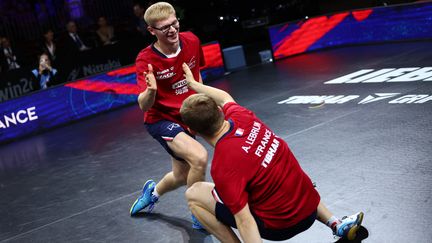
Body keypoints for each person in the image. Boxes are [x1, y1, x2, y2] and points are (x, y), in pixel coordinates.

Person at [179, 63, 365, 242]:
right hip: (309, 209)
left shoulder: (223, 166)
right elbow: (225, 97)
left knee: (194, 194)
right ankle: (336, 224)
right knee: (279, 171)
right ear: (220, 111)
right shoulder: (243, 116)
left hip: (280, 227)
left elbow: (245, 222)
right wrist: (195, 85)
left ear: (192, 130)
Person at [129, 2, 208, 230]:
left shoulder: (192, 40)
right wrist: (151, 91)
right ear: (152, 31)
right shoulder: (146, 60)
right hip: (161, 119)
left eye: (174, 24)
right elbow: (144, 106)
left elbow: (197, 74)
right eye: (164, 28)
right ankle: (198, 211)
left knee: (182, 174)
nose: (172, 30)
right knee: (199, 158)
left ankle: (151, 193)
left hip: (188, 114)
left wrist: (201, 102)